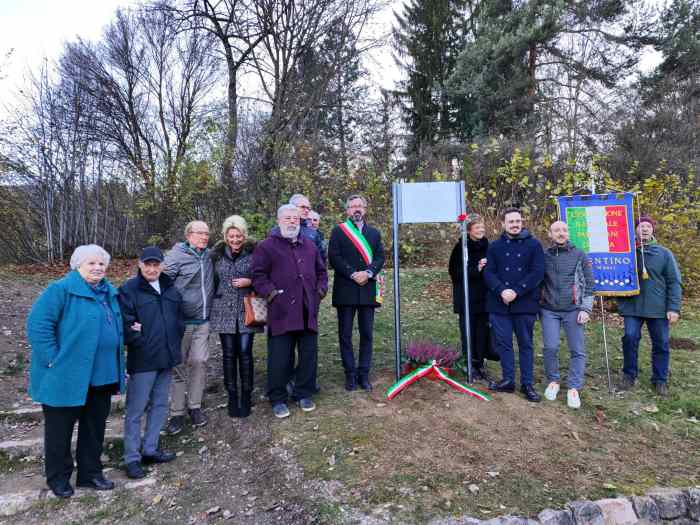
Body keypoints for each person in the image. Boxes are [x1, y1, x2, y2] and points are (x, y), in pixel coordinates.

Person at [26, 245, 126, 498]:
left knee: (94, 429)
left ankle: (90, 474)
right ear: (77, 265)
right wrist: (52, 359)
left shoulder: (109, 293)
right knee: (59, 431)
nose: (97, 268)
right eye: (91, 263)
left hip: (102, 374)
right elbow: (38, 325)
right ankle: (58, 478)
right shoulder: (60, 290)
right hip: (65, 375)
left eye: (101, 264)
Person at [251, 204, 328, 418]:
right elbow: (258, 276)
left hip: (307, 309)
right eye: (287, 218)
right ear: (279, 220)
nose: (292, 221)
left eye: (295, 218)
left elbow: (321, 272)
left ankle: (303, 392)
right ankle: (277, 398)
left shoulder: (310, 246)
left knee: (308, 355)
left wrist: (320, 291)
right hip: (281, 311)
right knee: (279, 358)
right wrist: (273, 294)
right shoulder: (266, 246)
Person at [118, 247, 184, 479]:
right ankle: (132, 457)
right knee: (135, 409)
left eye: (156, 264)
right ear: (140, 264)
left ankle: (150, 449)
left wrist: (174, 341)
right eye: (148, 264)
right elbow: (125, 325)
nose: (152, 268)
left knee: (160, 405)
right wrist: (139, 338)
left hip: (166, 358)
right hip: (143, 359)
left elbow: (178, 319)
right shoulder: (129, 290)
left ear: (163, 265)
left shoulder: (170, 288)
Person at [484, 207, 545, 402]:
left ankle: (527, 383)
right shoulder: (494, 246)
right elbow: (488, 272)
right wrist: (502, 290)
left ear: (522, 222)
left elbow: (537, 273)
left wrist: (516, 291)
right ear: (503, 224)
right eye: (511, 221)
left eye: (518, 221)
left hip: (525, 302)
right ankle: (508, 380)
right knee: (504, 343)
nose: (515, 224)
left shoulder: (534, 245)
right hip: (499, 302)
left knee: (525, 344)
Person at [617, 215, 682, 397]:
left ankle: (659, 380)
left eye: (648, 226)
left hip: (658, 308)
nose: (644, 229)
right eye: (640, 226)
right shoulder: (626, 252)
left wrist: (673, 308)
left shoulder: (664, 254)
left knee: (661, 343)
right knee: (630, 338)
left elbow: (674, 282)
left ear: (652, 230)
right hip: (633, 306)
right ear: (635, 230)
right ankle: (629, 375)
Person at [328, 194, 386, 391]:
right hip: (346, 289)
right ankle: (350, 374)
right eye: (352, 207)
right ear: (347, 210)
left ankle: (363, 374)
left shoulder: (374, 233)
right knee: (345, 334)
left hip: (367, 289)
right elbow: (334, 257)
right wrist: (353, 274)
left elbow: (380, 256)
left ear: (365, 209)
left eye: (359, 206)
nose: (356, 209)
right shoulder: (338, 231)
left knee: (367, 334)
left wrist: (369, 272)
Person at [163, 221, 215, 435]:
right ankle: (176, 413)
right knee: (177, 366)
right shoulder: (176, 256)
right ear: (189, 235)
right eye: (200, 233)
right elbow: (162, 284)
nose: (204, 237)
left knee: (200, 362)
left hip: (203, 321)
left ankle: (195, 407)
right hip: (180, 322)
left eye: (206, 234)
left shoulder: (210, 256)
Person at [210, 215, 262, 419]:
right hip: (223, 310)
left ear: (244, 235)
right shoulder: (216, 255)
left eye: (238, 236)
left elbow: (263, 276)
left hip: (246, 309)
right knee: (229, 354)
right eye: (231, 236)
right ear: (225, 236)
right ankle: (232, 395)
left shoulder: (254, 252)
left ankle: (246, 394)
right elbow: (210, 281)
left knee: (245, 352)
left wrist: (250, 281)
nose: (235, 240)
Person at [540, 221, 594, 409]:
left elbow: (589, 283)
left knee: (577, 350)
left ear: (568, 233)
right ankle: (553, 381)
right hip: (549, 310)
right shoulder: (544, 256)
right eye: (556, 230)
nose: (560, 233)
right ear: (551, 234)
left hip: (573, 310)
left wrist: (585, 309)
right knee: (550, 347)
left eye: (563, 230)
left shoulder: (579, 254)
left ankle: (573, 387)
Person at [448, 214, 494, 381]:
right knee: (468, 332)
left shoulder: (489, 246)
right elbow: (455, 273)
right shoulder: (460, 248)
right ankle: (469, 363)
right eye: (477, 227)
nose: (481, 230)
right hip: (467, 298)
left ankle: (480, 363)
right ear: (469, 230)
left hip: (484, 297)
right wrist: (476, 268)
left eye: (482, 227)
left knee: (482, 332)